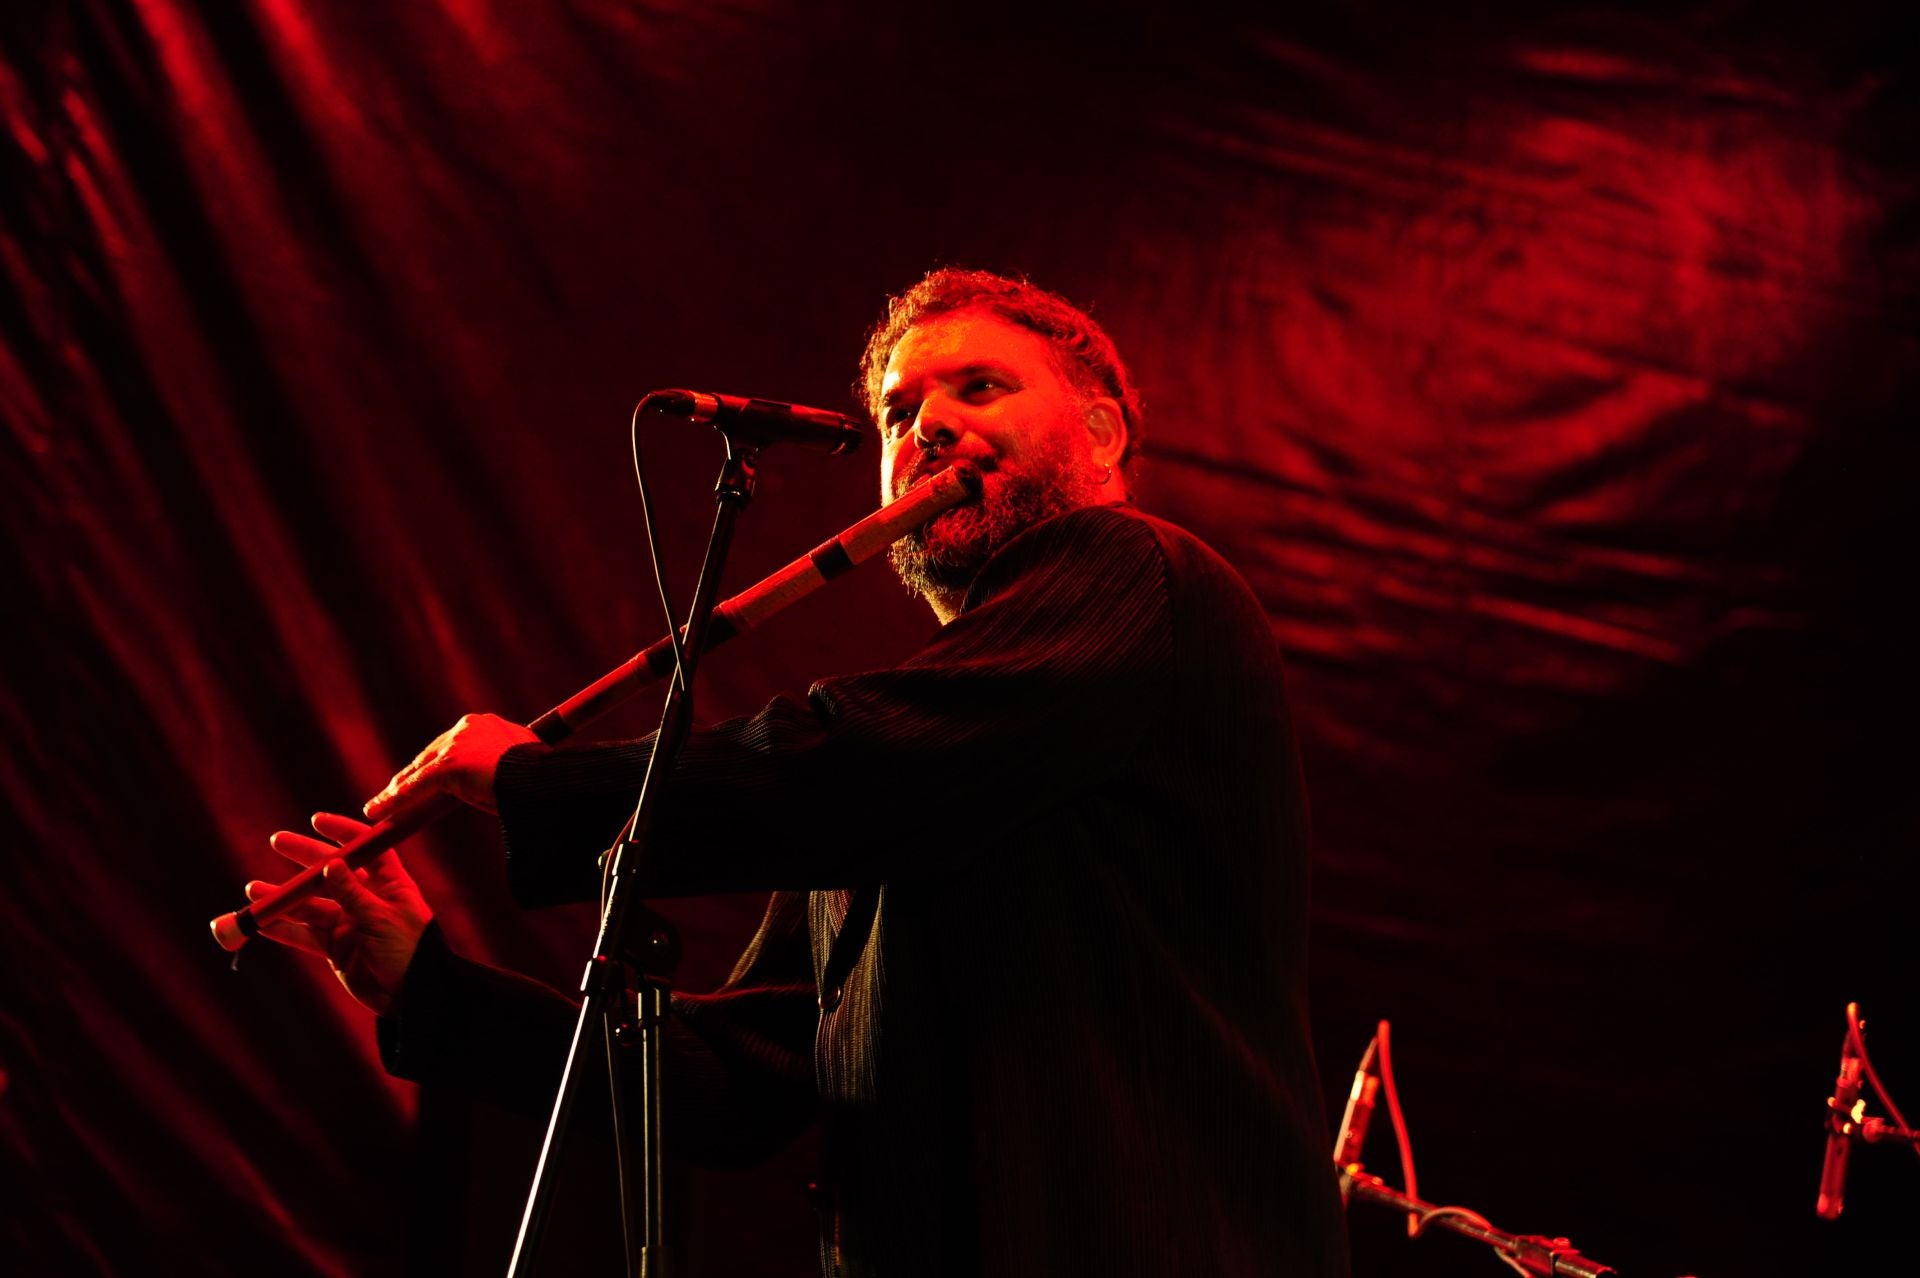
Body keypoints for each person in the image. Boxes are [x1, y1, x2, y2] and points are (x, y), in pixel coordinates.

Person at [248, 269, 1352, 1277]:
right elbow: (735, 1082)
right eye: (901, 412)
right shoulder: (898, 761)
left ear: (1102, 433)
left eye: (981, 388)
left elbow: (867, 763)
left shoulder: (1137, 579)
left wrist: (538, 785)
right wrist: (425, 984)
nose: (934, 427)